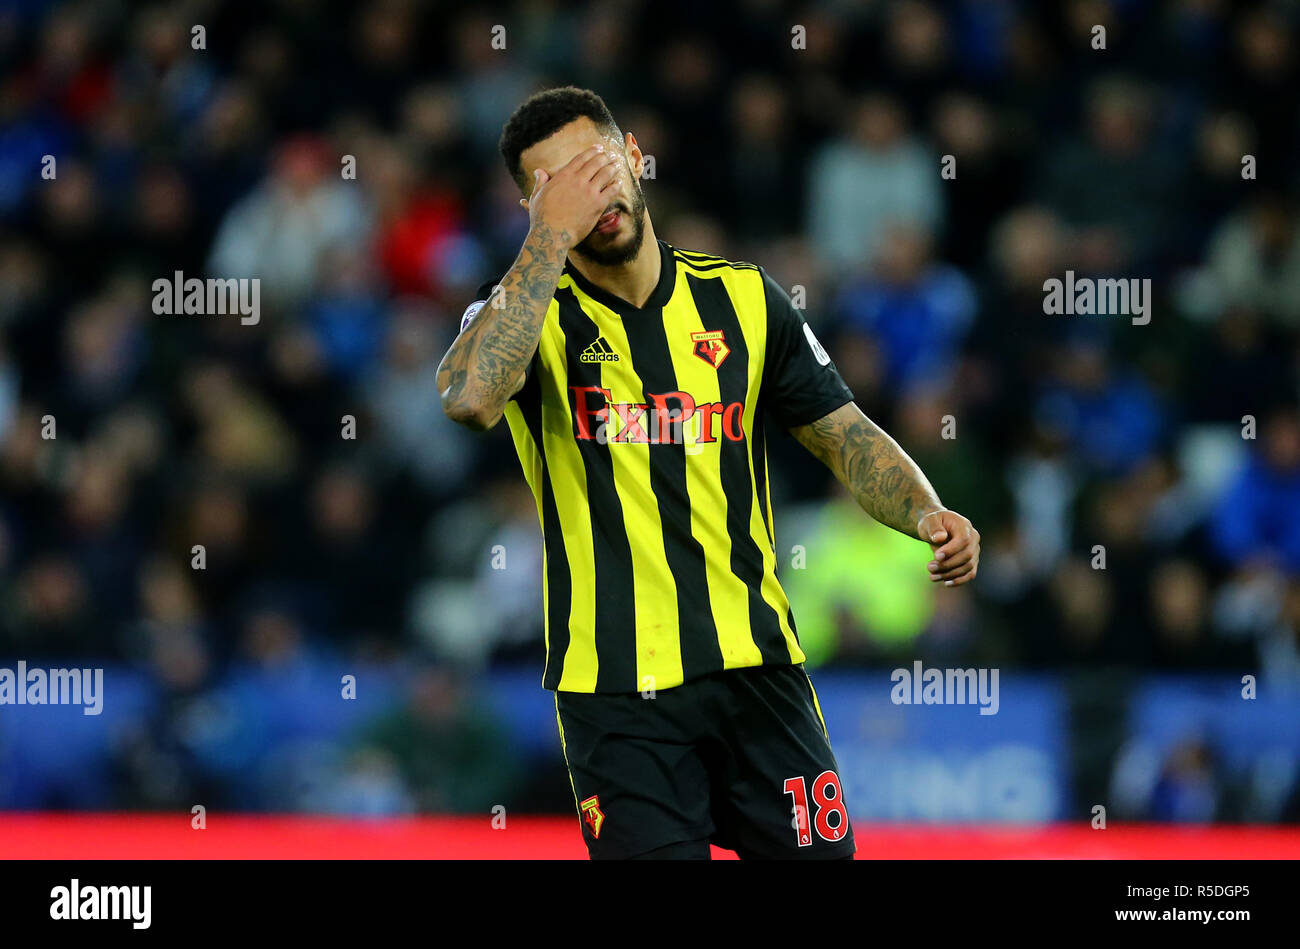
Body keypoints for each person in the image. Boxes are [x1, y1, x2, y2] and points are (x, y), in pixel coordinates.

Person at [437, 87, 980, 859]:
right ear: (530, 203)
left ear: (632, 158)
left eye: (595, 166)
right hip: (615, 694)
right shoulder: (526, 316)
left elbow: (843, 432)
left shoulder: (745, 300)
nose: (591, 196)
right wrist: (545, 243)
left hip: (759, 670)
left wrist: (926, 512)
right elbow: (471, 399)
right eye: (557, 186)